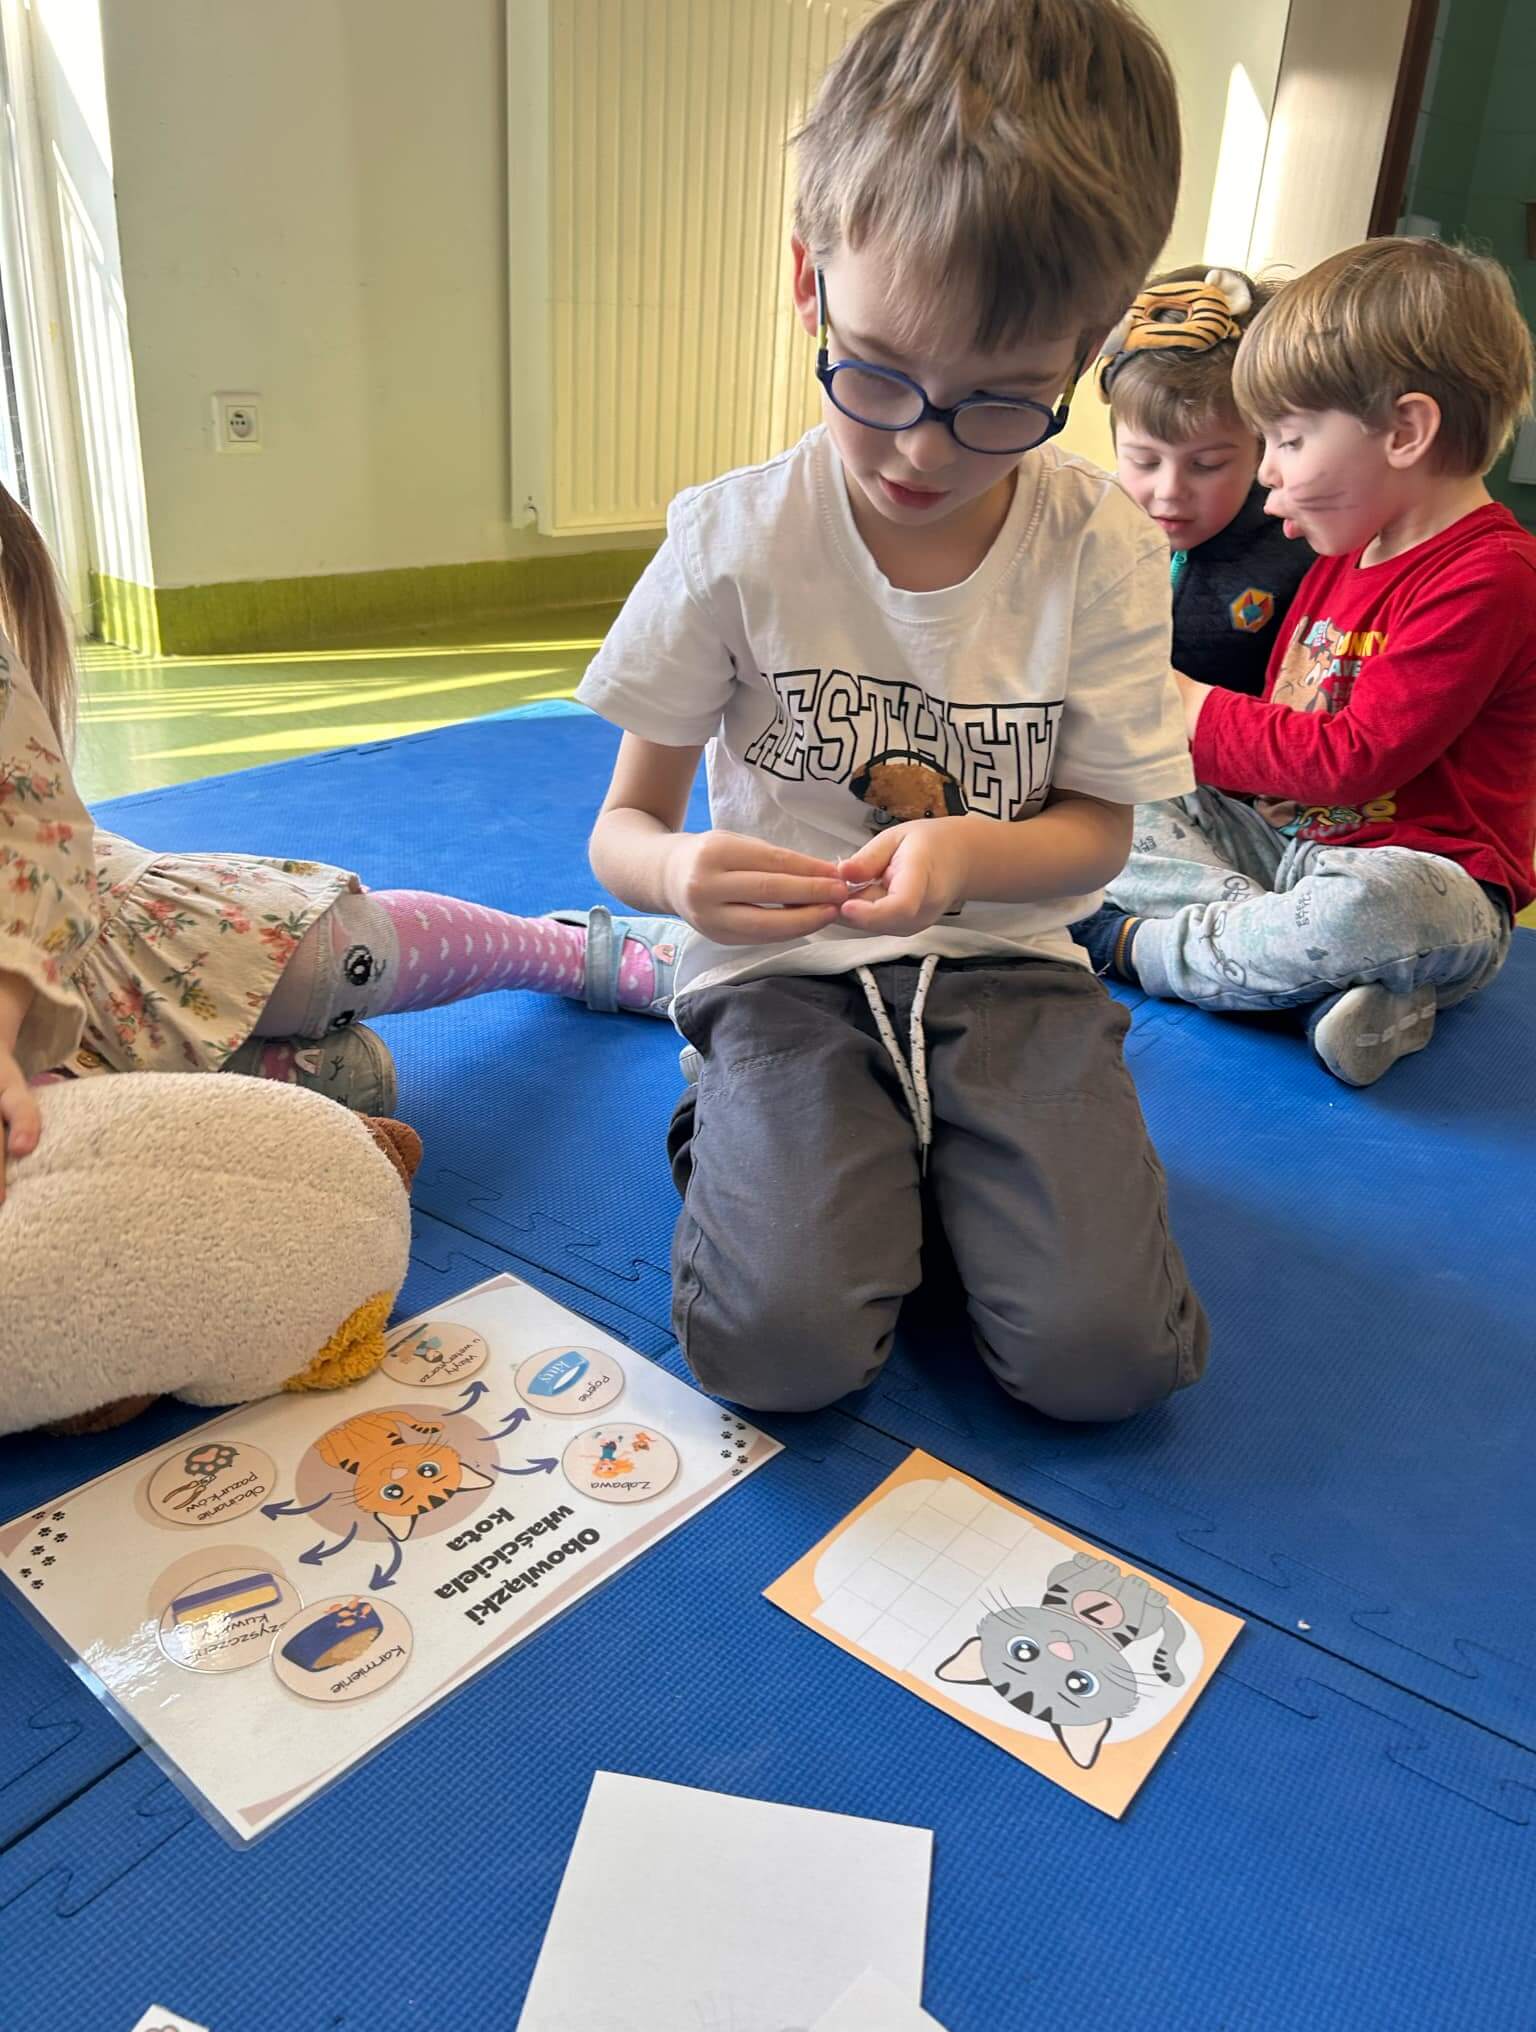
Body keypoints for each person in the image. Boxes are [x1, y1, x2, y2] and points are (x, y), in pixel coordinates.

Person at [572, 0, 1210, 1420]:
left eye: (1003, 401)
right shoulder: (733, 540)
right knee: (780, 1352)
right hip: (783, 982)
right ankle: (774, 1135)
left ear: (1086, 352)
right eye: (878, 376)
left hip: (1009, 973)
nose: (923, 448)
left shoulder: (1101, 547)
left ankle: (935, 1167)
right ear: (808, 280)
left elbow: (1101, 832)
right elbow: (623, 826)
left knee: (1105, 1361)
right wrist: (677, 875)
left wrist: (971, 855)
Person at [0, 479, 686, 1197]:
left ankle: (570, 951)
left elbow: (33, 827)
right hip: (77, 1066)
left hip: (68, 926)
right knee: (352, 1081)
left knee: (328, 958)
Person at [1073, 236, 1536, 1086]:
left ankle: (1136, 946)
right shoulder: (1341, 553)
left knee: (1373, 910)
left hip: (1431, 880)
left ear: (1406, 431)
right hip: (1288, 856)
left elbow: (1356, 759)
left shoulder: (1490, 576)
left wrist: (1189, 705)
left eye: (1286, 441)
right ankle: (1302, 985)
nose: (1268, 477)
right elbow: (1275, 746)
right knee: (1111, 793)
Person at [1102, 264, 1314, 695]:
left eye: (1208, 464)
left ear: (1261, 448)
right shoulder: (1088, 528)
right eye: (1144, 461)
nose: (1169, 491)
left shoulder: (1301, 550)